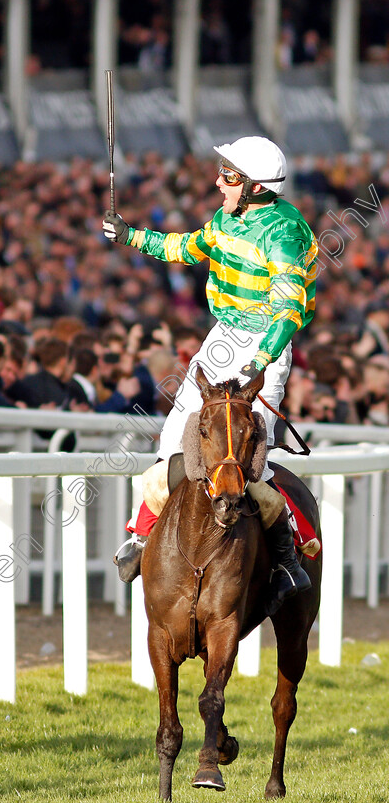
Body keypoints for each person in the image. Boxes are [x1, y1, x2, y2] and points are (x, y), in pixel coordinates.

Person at [103, 136, 317, 614]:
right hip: (222, 336)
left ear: (257, 187)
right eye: (221, 172)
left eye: (230, 176)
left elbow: (286, 312)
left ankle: (285, 558)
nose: (219, 182)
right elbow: (185, 246)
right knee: (173, 442)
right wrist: (130, 235)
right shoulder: (227, 217)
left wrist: (258, 365)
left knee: (244, 458)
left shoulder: (284, 233)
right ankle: (142, 534)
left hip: (265, 344)